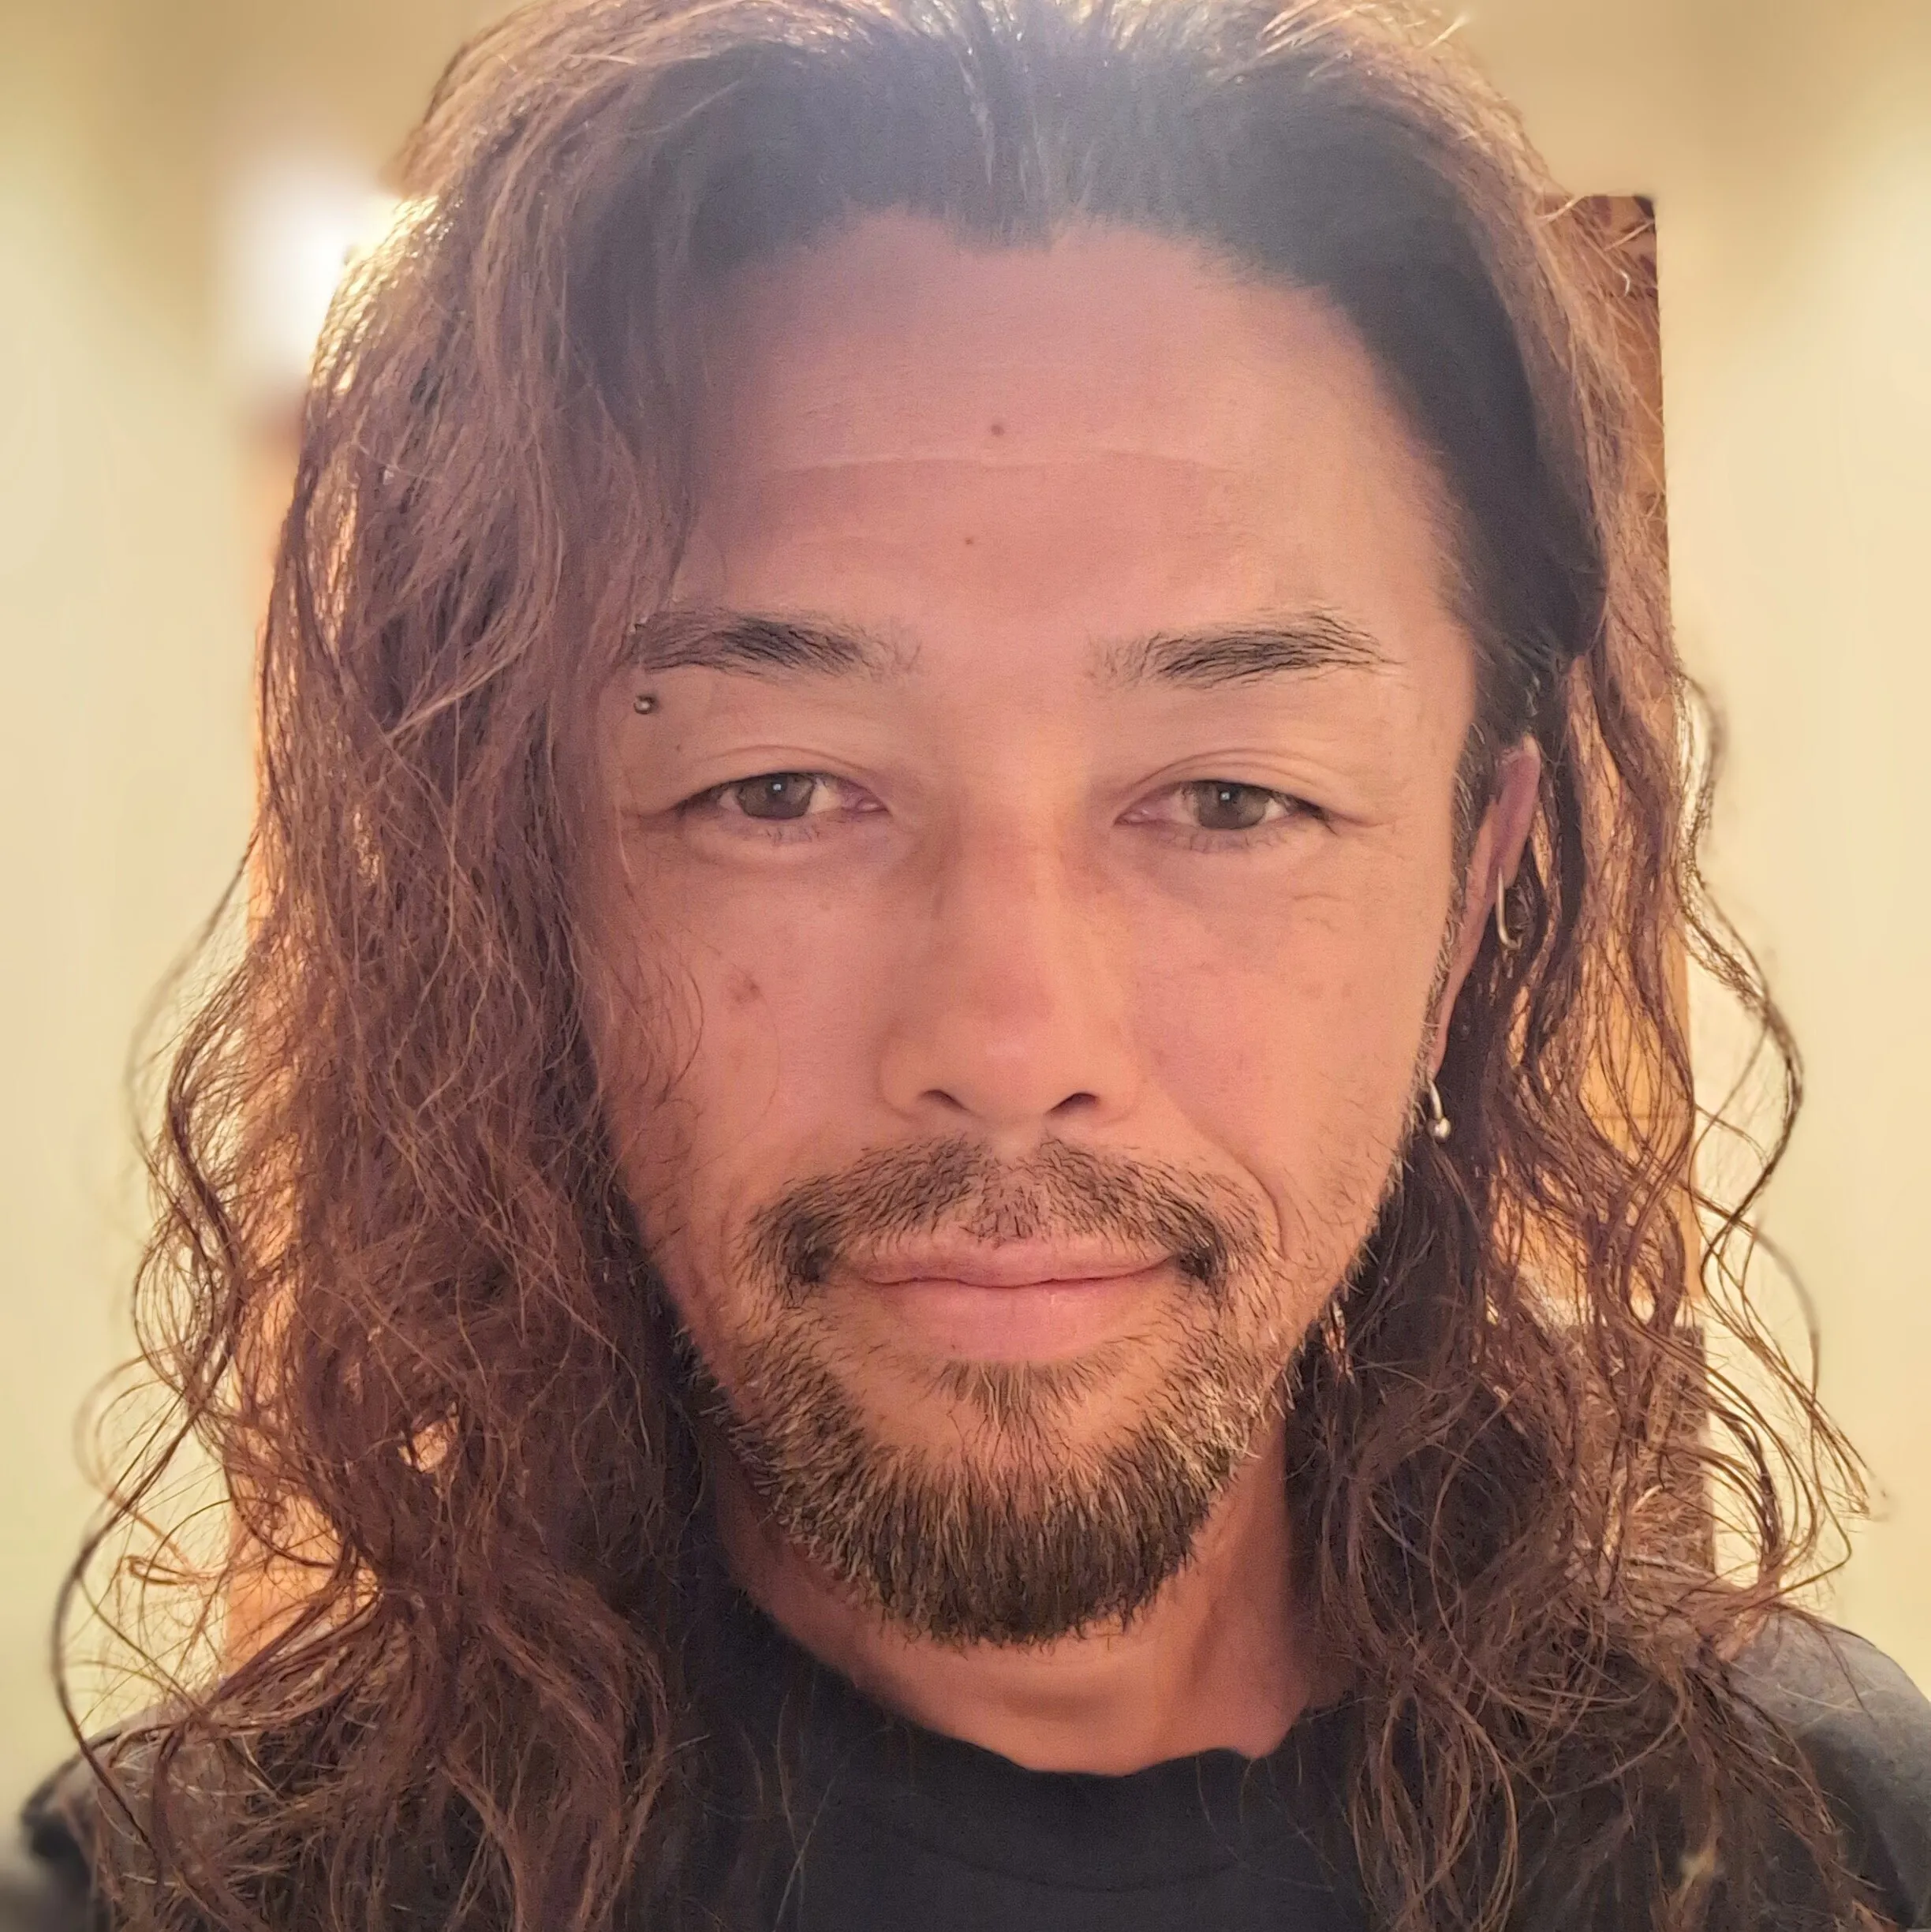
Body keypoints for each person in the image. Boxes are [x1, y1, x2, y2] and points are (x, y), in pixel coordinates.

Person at [11, 0, 1929, 1926]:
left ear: (1468, 895)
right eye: (778, 789)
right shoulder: (193, 1891)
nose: (1014, 1043)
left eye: (1234, 800)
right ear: (532, 897)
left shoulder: (1825, 1850)